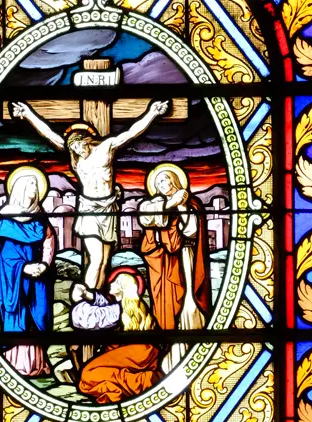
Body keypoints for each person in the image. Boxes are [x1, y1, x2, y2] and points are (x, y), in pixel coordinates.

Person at [11, 100, 170, 290]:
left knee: (104, 261)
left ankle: (96, 298)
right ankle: (84, 299)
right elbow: (49, 134)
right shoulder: (77, 159)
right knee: (95, 258)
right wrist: (28, 114)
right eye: (73, 149)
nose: (78, 151)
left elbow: (131, 133)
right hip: (89, 209)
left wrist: (152, 113)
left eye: (79, 145)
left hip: (109, 209)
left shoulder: (106, 147)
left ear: (86, 140)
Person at [139, 163, 212, 373]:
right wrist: (171, 204)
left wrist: (181, 207)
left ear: (175, 181)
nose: (162, 184)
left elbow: (192, 231)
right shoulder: (153, 204)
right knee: (166, 305)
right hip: (163, 264)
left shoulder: (192, 204)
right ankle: (167, 354)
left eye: (166, 180)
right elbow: (148, 221)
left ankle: (193, 350)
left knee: (189, 300)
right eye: (159, 182)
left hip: (187, 258)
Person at [0, 166, 56, 376]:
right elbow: (5, 256)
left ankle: (38, 364)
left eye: (36, 185)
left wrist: (44, 264)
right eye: (30, 184)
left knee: (39, 316)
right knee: (18, 315)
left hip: (39, 279)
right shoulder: (6, 218)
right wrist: (23, 268)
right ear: (19, 188)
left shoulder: (40, 218)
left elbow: (48, 241)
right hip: (15, 280)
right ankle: (16, 364)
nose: (34, 188)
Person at [72, 269, 161, 404]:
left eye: (115, 281)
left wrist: (78, 300)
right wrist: (87, 295)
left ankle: (142, 381)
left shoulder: (119, 310)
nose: (111, 283)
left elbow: (88, 320)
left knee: (88, 375)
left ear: (122, 288)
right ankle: (131, 380)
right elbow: (105, 306)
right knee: (92, 377)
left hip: (136, 351)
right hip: (142, 351)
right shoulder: (131, 306)